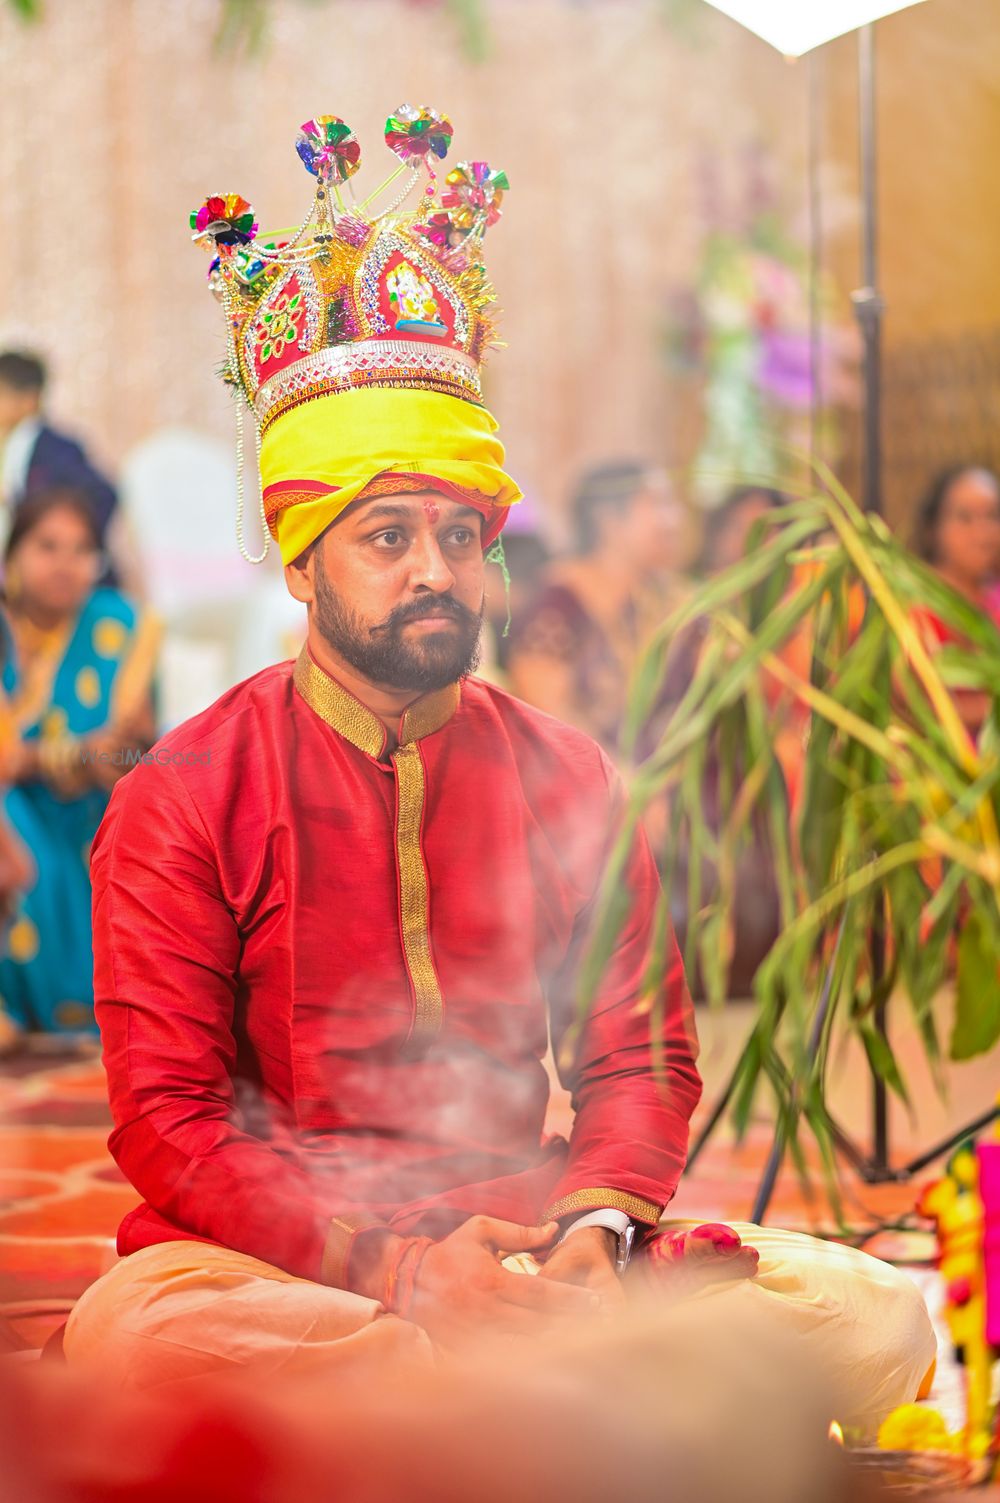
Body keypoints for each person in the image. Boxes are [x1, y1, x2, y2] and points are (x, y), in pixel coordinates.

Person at [63, 112, 934, 1428]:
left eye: (462, 532)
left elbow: (635, 1050)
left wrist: (596, 1233)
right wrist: (395, 1268)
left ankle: (484, 1403)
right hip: (299, 1264)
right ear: (300, 561)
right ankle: (544, 1407)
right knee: (131, 1339)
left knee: (877, 1315)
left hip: (534, 1246)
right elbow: (172, 1121)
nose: (434, 570)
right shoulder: (185, 795)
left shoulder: (565, 770)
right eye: (387, 534)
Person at [0, 488, 159, 1037]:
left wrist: (108, 754)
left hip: (90, 817)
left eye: (82, 550)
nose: (66, 565)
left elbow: (135, 751)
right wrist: (70, 754)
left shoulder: (118, 629)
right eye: (47, 546)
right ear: (12, 553)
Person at [506, 461, 693, 754]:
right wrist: (620, 781)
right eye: (657, 503)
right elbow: (545, 708)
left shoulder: (668, 600)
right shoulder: (559, 602)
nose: (675, 520)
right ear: (609, 520)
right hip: (582, 784)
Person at [910, 464, 1000, 737]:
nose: (982, 533)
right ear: (934, 528)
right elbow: (913, 705)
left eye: (992, 516)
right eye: (964, 518)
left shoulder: (995, 600)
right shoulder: (913, 607)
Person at [0, 352, 119, 556]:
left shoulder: (58, 450)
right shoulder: (8, 443)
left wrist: (73, 551)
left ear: (29, 400)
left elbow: (104, 496)